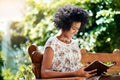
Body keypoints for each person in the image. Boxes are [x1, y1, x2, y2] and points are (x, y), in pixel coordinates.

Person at [41, 5, 101, 80]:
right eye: (73, 28)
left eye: (78, 29)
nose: (75, 32)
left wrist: (91, 70)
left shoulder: (74, 43)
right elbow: (44, 73)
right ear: (64, 25)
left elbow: (75, 66)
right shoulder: (52, 43)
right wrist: (74, 73)